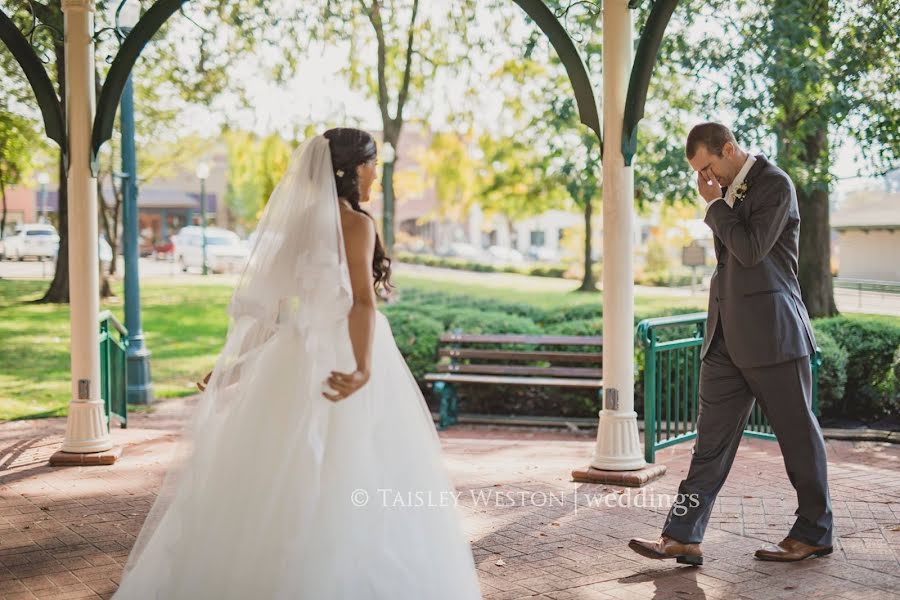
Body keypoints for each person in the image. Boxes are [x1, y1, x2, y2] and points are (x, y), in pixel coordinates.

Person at [112, 129, 483, 599]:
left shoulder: (300, 224)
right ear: (350, 171)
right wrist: (364, 368)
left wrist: (237, 364)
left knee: (277, 471)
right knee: (357, 467)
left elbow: (273, 314)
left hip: (292, 358)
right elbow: (361, 306)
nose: (375, 174)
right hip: (345, 358)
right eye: (371, 165)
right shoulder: (356, 224)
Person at [629, 122, 834, 566]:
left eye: (709, 167)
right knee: (709, 444)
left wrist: (715, 206)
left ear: (728, 148)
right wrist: (719, 203)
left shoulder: (775, 184)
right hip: (724, 338)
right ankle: (681, 534)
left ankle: (814, 531)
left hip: (774, 336)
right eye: (700, 173)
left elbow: (751, 248)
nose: (707, 178)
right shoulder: (725, 194)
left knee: (798, 436)